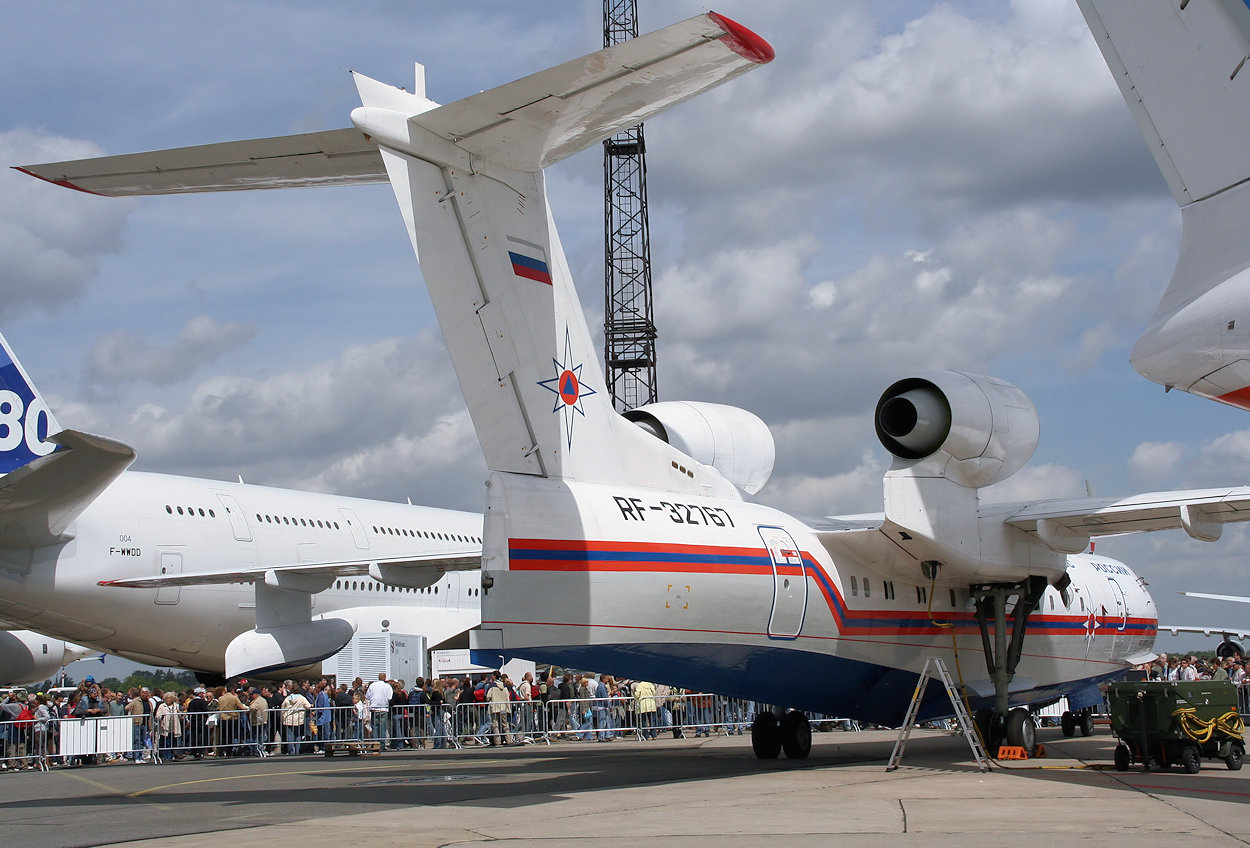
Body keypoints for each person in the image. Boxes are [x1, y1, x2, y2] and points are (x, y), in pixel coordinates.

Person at [280, 685, 311, 755]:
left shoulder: (288, 698)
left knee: (289, 736)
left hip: (288, 719)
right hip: (298, 719)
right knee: (298, 736)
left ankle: (291, 751)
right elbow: (308, 706)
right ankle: (297, 750)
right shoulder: (302, 698)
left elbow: (282, 707)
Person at [365, 673, 393, 745]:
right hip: (384, 708)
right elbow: (390, 697)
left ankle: (375, 743)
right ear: (385, 678)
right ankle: (382, 744)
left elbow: (367, 696)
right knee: (382, 726)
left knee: (375, 726)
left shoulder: (372, 685)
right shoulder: (387, 686)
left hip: (374, 707)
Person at [154, 691, 183, 761]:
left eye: (169, 698)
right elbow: (157, 716)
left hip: (174, 726)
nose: (168, 700)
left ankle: (172, 756)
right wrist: (161, 717)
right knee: (166, 742)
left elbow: (181, 715)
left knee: (173, 742)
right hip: (165, 727)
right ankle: (166, 756)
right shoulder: (162, 706)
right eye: (166, 698)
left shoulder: (176, 706)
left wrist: (180, 713)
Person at [486, 672, 511, 746]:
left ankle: (497, 741)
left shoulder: (492, 685)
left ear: (494, 676)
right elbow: (507, 695)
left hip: (494, 706)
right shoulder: (504, 685)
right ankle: (509, 739)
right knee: (505, 724)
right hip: (503, 707)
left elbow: (488, 696)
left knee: (495, 725)